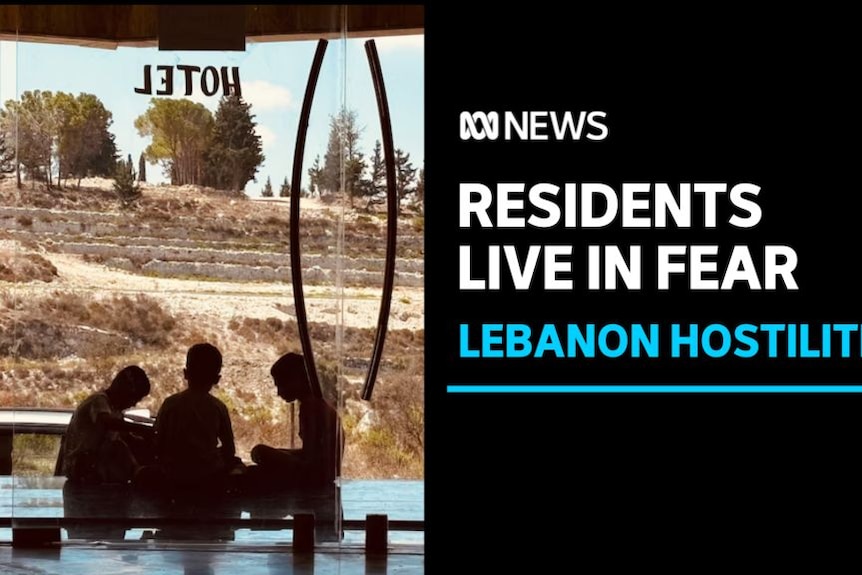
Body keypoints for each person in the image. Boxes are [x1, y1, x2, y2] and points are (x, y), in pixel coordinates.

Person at [154, 342, 242, 491]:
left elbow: (158, 442)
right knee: (238, 464)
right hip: (209, 476)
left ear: (185, 373)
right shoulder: (218, 407)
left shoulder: (170, 404)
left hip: (174, 476)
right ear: (217, 379)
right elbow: (229, 449)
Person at [250, 352, 344, 488]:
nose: (279, 392)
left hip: (316, 476)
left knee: (260, 451)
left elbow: (309, 460)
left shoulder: (310, 407)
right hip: (322, 473)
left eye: (281, 385)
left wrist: (277, 456)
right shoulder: (315, 403)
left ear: (297, 380)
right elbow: (310, 453)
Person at [62, 365, 152, 484]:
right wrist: (145, 430)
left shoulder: (115, 411)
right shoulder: (99, 401)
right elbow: (107, 423)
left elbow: (125, 436)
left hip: (92, 473)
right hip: (81, 468)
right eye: (134, 398)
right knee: (117, 447)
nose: (134, 404)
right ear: (124, 391)